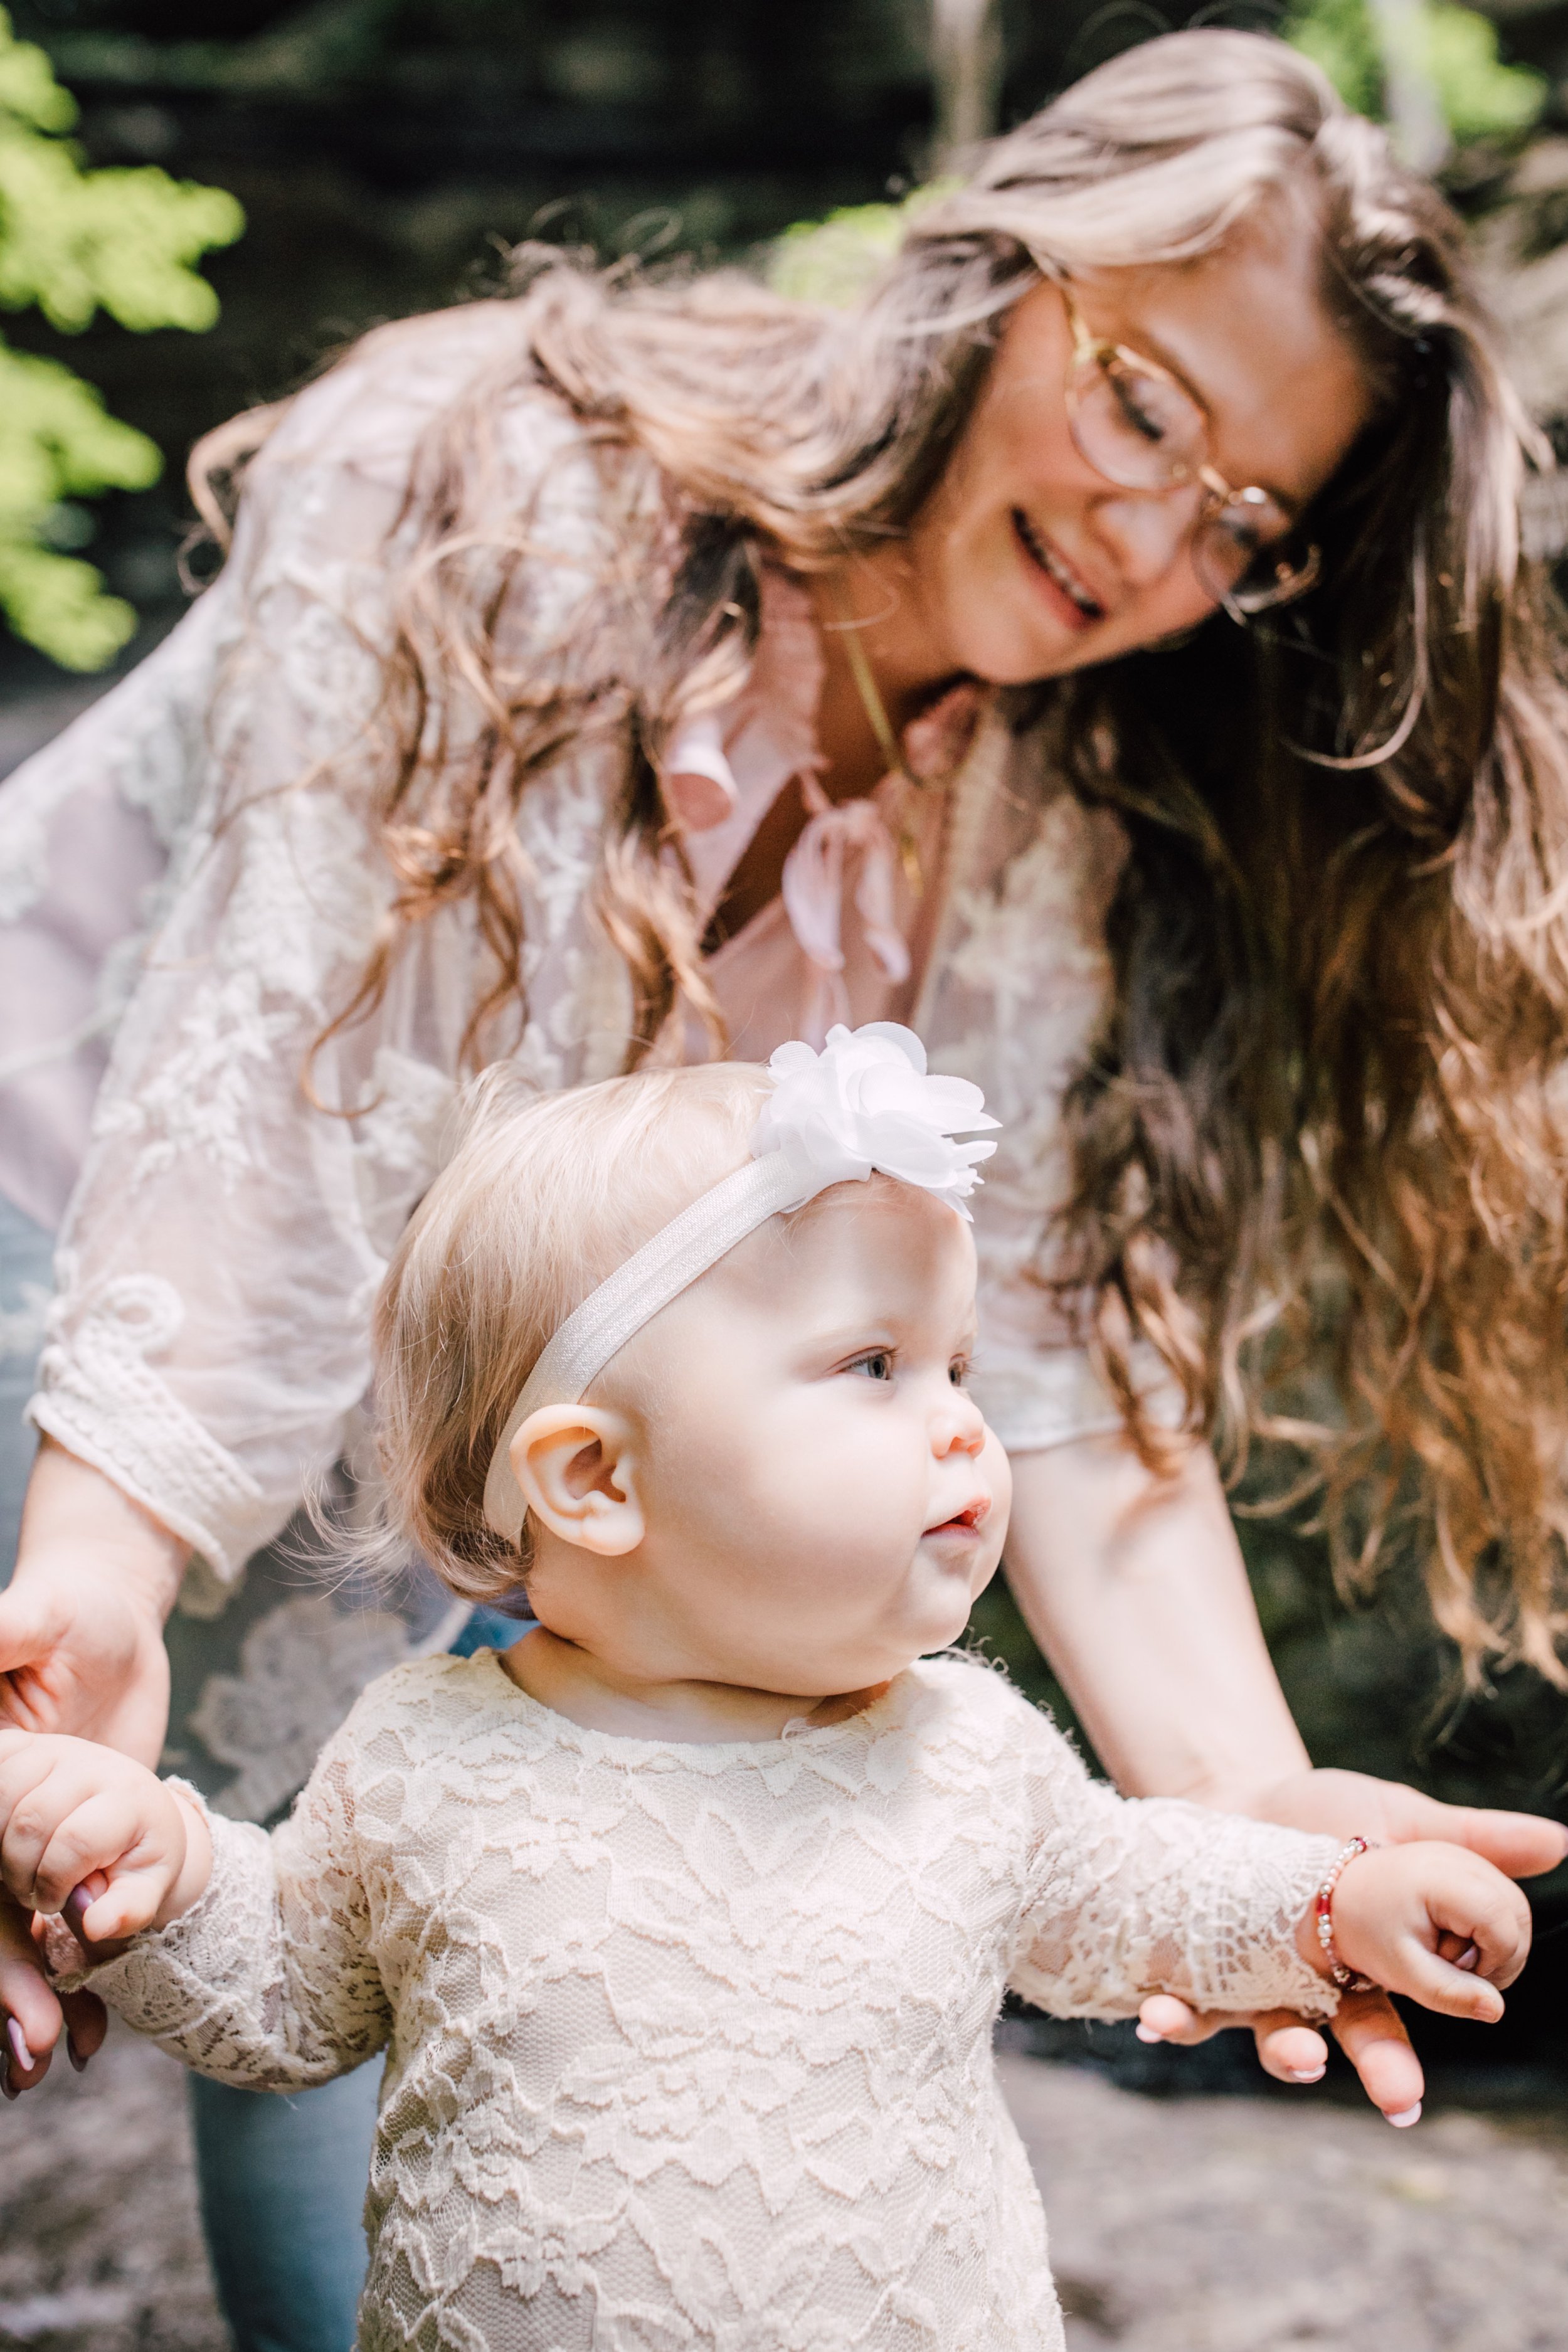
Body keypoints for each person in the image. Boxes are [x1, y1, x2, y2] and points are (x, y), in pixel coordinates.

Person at [2, 22, 1567, 2348]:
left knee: (424, 2020)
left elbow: (1046, 1353)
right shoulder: (496, 466)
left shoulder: (1035, 807)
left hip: (479, 1434)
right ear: (1005, 269)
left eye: (1245, 519)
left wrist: (1252, 1834)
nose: (1154, 540)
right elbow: (267, 1079)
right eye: (1144, 406)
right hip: (75, 1248)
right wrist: (101, 1555)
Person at [0, 1029, 1539, 2350]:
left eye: (960, 1371)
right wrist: (158, 1866)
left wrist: (1329, 1903)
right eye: (874, 1365)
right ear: (594, 1478)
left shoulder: (960, 1751)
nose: (961, 1433)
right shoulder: (425, 1757)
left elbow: (1134, 1888)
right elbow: (284, 1994)